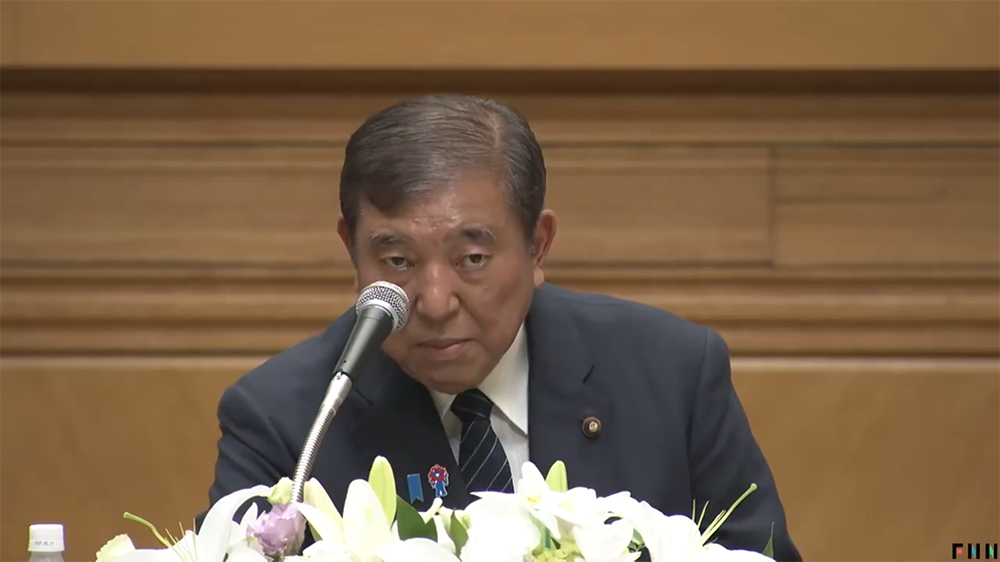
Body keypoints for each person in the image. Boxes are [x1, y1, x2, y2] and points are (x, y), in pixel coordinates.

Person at [205, 94, 801, 560]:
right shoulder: (287, 422)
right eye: (397, 261)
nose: (435, 302)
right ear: (351, 250)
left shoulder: (671, 376)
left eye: (472, 259)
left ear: (537, 245)